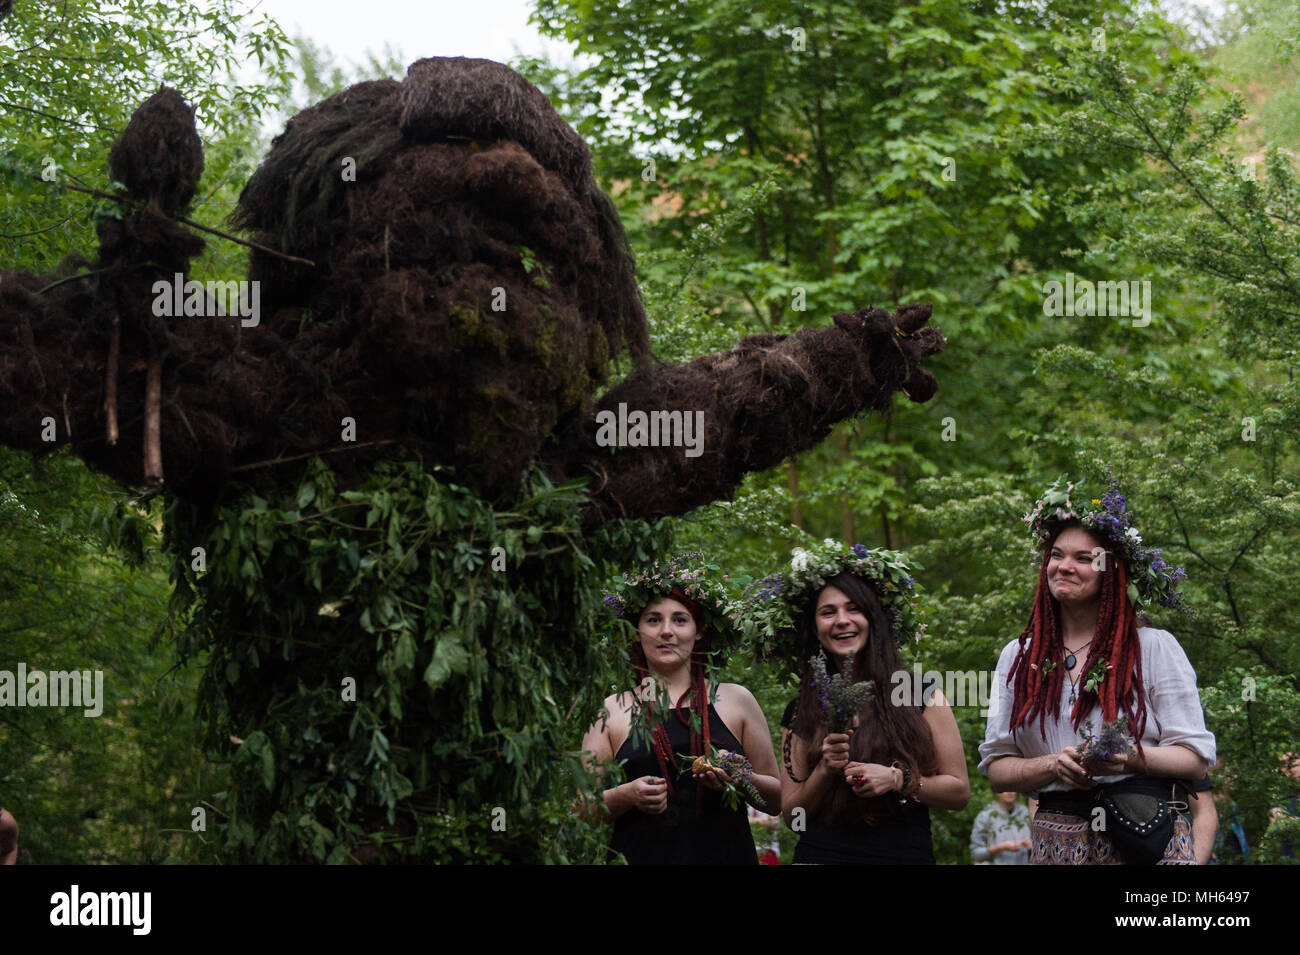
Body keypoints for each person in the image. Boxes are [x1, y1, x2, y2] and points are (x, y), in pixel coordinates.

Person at [980, 476, 1216, 865]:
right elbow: (999, 769)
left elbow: (1194, 757)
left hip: (1145, 840)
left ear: (1112, 571)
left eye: (1084, 558)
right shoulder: (1018, 656)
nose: (1064, 567)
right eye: (1057, 555)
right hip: (1058, 846)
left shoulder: (1153, 648)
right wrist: (1052, 764)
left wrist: (1130, 757)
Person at [742, 541, 969, 864]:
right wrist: (824, 768)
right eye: (828, 612)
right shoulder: (800, 711)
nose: (842, 620)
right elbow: (794, 818)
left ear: (873, 620)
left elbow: (959, 793)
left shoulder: (921, 694)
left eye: (854, 608)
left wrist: (898, 780)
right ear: (815, 629)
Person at [581, 553, 780, 864]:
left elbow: (778, 801)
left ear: (698, 630)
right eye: (653, 619)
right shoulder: (611, 710)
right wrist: (626, 795)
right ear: (636, 631)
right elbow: (582, 809)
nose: (666, 631)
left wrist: (741, 777)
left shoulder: (737, 700)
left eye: (680, 619)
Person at [970, 791, 1032, 864]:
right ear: (997, 790)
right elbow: (976, 854)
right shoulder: (985, 816)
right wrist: (1001, 848)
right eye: (1005, 788)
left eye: (1012, 788)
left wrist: (1033, 845)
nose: (1009, 792)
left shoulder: (1027, 814)